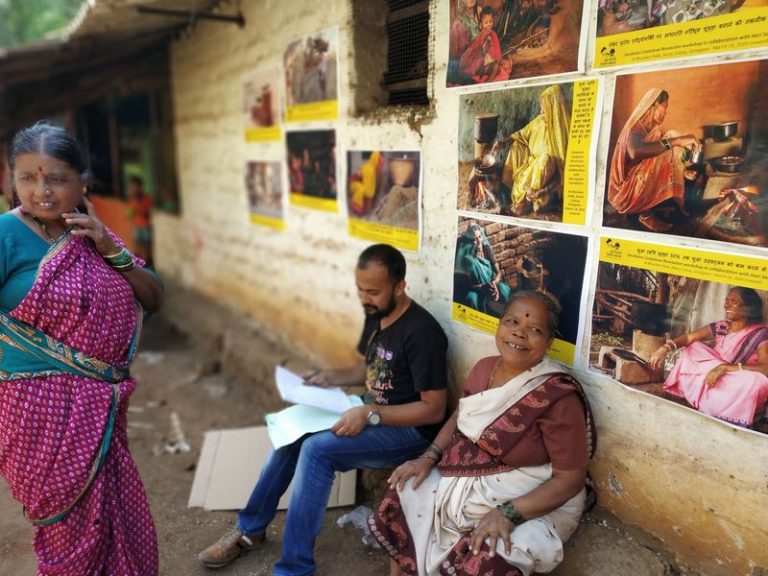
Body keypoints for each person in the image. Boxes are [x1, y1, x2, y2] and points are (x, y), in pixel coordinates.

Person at [198, 244, 449, 575]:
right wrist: (329, 377)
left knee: (317, 450)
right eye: (360, 289)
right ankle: (249, 531)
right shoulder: (377, 313)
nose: (364, 298)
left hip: (410, 431)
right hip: (371, 411)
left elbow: (433, 410)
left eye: (373, 291)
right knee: (293, 436)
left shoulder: (423, 334)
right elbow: (370, 370)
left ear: (400, 286)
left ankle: (295, 567)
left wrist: (371, 414)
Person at [0, 121, 164, 575]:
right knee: (68, 533)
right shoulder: (4, 237)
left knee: (115, 519)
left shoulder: (92, 236)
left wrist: (109, 247)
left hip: (104, 407)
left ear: (82, 180)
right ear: (11, 180)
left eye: (56, 177)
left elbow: (153, 298)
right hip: (34, 414)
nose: (42, 191)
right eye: (27, 178)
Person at [369, 291, 596, 576]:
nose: (519, 333)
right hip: (469, 476)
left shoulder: (557, 397)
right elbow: (459, 416)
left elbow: (570, 479)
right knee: (404, 487)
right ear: (499, 325)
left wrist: (508, 513)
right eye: (512, 321)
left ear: (549, 342)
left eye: (535, 330)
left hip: (532, 497)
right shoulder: (484, 367)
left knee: (489, 555)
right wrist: (428, 457)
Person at [650, 287, 768, 427]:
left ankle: (715, 403)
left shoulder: (760, 334)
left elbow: (765, 368)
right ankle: (711, 396)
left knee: (757, 381)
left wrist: (724, 368)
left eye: (733, 301)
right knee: (694, 347)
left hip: (734, 378)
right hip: (711, 373)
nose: (726, 305)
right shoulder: (721, 326)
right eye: (726, 300)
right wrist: (665, 348)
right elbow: (689, 338)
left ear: (747, 308)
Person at [607, 89, 700, 232]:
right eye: (665, 106)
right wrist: (678, 140)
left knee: (671, 136)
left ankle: (679, 192)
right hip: (625, 192)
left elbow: (657, 154)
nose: (666, 112)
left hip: (638, 180)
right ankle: (646, 214)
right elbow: (635, 152)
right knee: (672, 137)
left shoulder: (652, 130)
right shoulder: (636, 127)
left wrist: (681, 163)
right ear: (654, 105)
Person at [499, 84, 571, 216]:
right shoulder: (538, 122)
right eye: (541, 110)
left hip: (545, 186)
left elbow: (562, 176)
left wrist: (541, 192)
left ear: (554, 110)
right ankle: (510, 192)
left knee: (545, 159)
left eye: (544, 111)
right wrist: (502, 143)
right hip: (529, 172)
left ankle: (526, 202)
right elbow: (520, 134)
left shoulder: (563, 134)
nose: (541, 113)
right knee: (516, 146)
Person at [454, 223, 512, 316]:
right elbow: (469, 285)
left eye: (479, 237)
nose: (478, 241)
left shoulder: (486, 249)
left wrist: (494, 283)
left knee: (505, 291)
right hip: (478, 288)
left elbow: (498, 272)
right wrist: (484, 287)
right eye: (474, 239)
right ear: (470, 242)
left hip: (492, 282)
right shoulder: (468, 259)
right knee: (471, 298)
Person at [459, 6, 502, 83]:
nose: (488, 25)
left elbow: (497, 50)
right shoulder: (480, 36)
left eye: (490, 22)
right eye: (486, 22)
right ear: (481, 24)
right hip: (480, 64)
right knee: (475, 68)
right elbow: (475, 49)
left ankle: (489, 81)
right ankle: (478, 77)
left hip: (490, 63)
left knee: (496, 66)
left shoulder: (493, 35)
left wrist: (495, 59)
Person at [126, 175, 154, 265]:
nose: (133, 189)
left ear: (140, 187)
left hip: (146, 226)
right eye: (131, 187)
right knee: (138, 245)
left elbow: (149, 211)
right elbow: (129, 215)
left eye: (135, 186)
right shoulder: (132, 200)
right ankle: (142, 263)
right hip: (137, 226)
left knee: (146, 246)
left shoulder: (147, 199)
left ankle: (146, 263)